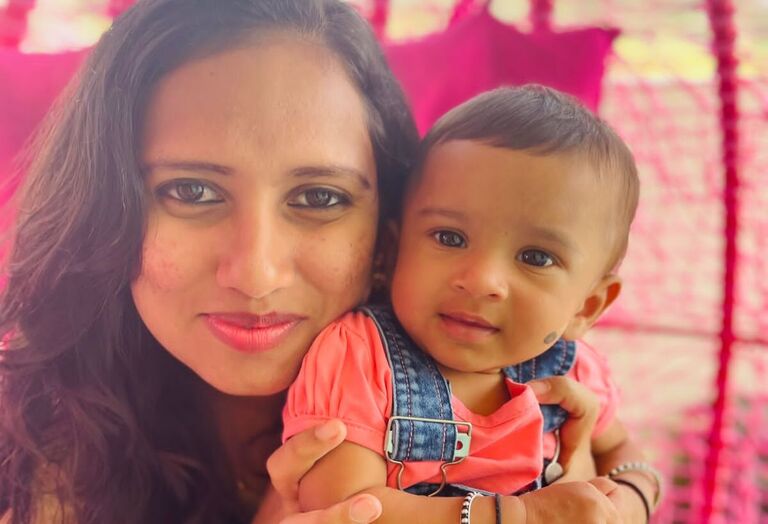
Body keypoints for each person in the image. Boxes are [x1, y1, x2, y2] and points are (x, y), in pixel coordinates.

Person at [0, 1, 618, 523]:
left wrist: (626, 487)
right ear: (104, 204)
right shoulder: (32, 438)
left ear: (388, 231)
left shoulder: (528, 376)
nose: (256, 273)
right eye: (191, 191)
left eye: (319, 198)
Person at [283, 86, 661, 523]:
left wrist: (631, 500)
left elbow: (619, 447)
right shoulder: (361, 357)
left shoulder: (575, 369)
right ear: (392, 248)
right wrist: (519, 516)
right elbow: (345, 508)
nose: (481, 281)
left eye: (535, 258)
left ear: (586, 307)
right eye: (450, 237)